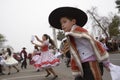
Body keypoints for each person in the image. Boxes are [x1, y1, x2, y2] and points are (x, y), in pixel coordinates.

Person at [48, 7, 110, 80]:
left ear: (73, 21)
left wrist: (105, 62)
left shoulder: (79, 33)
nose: (62, 25)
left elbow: (94, 44)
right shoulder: (72, 35)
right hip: (82, 65)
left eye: (64, 22)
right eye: (61, 23)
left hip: (90, 64)